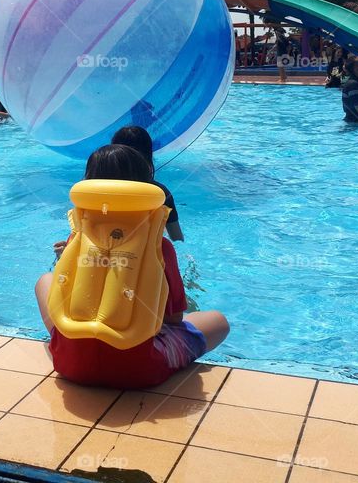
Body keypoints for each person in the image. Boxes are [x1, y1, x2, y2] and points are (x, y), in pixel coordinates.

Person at [35, 144, 229, 389]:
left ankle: (65, 343)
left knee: (44, 280)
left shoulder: (77, 239)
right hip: (138, 371)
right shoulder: (159, 247)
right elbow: (174, 318)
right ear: (146, 186)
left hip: (70, 364)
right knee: (218, 322)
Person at [111, 125, 184, 242]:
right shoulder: (159, 192)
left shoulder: (92, 188)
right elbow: (177, 238)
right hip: (144, 255)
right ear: (148, 154)